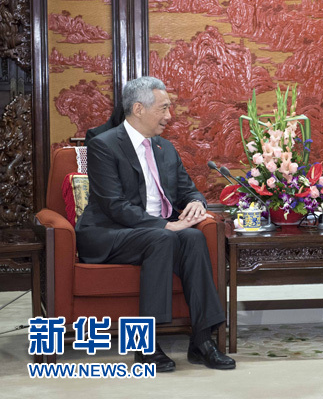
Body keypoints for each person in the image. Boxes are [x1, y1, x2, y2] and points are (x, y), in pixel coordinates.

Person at [75, 76, 236, 372]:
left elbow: (188, 189)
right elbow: (113, 205)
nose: (169, 116)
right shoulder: (103, 145)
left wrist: (196, 203)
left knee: (194, 238)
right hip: (110, 233)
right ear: (138, 108)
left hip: (155, 234)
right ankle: (144, 344)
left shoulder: (165, 148)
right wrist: (163, 226)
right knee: (164, 238)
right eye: (163, 108)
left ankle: (202, 341)